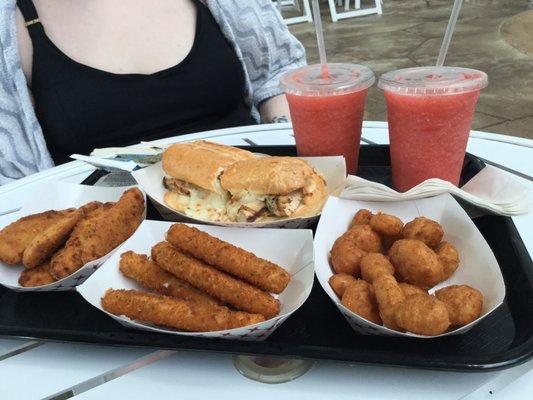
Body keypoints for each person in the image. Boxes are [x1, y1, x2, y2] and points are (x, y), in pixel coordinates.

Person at [0, 0, 306, 184]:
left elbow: (277, 74)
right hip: (101, 249)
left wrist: (285, 152)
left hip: (256, 207)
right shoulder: (11, 24)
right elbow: (13, 181)